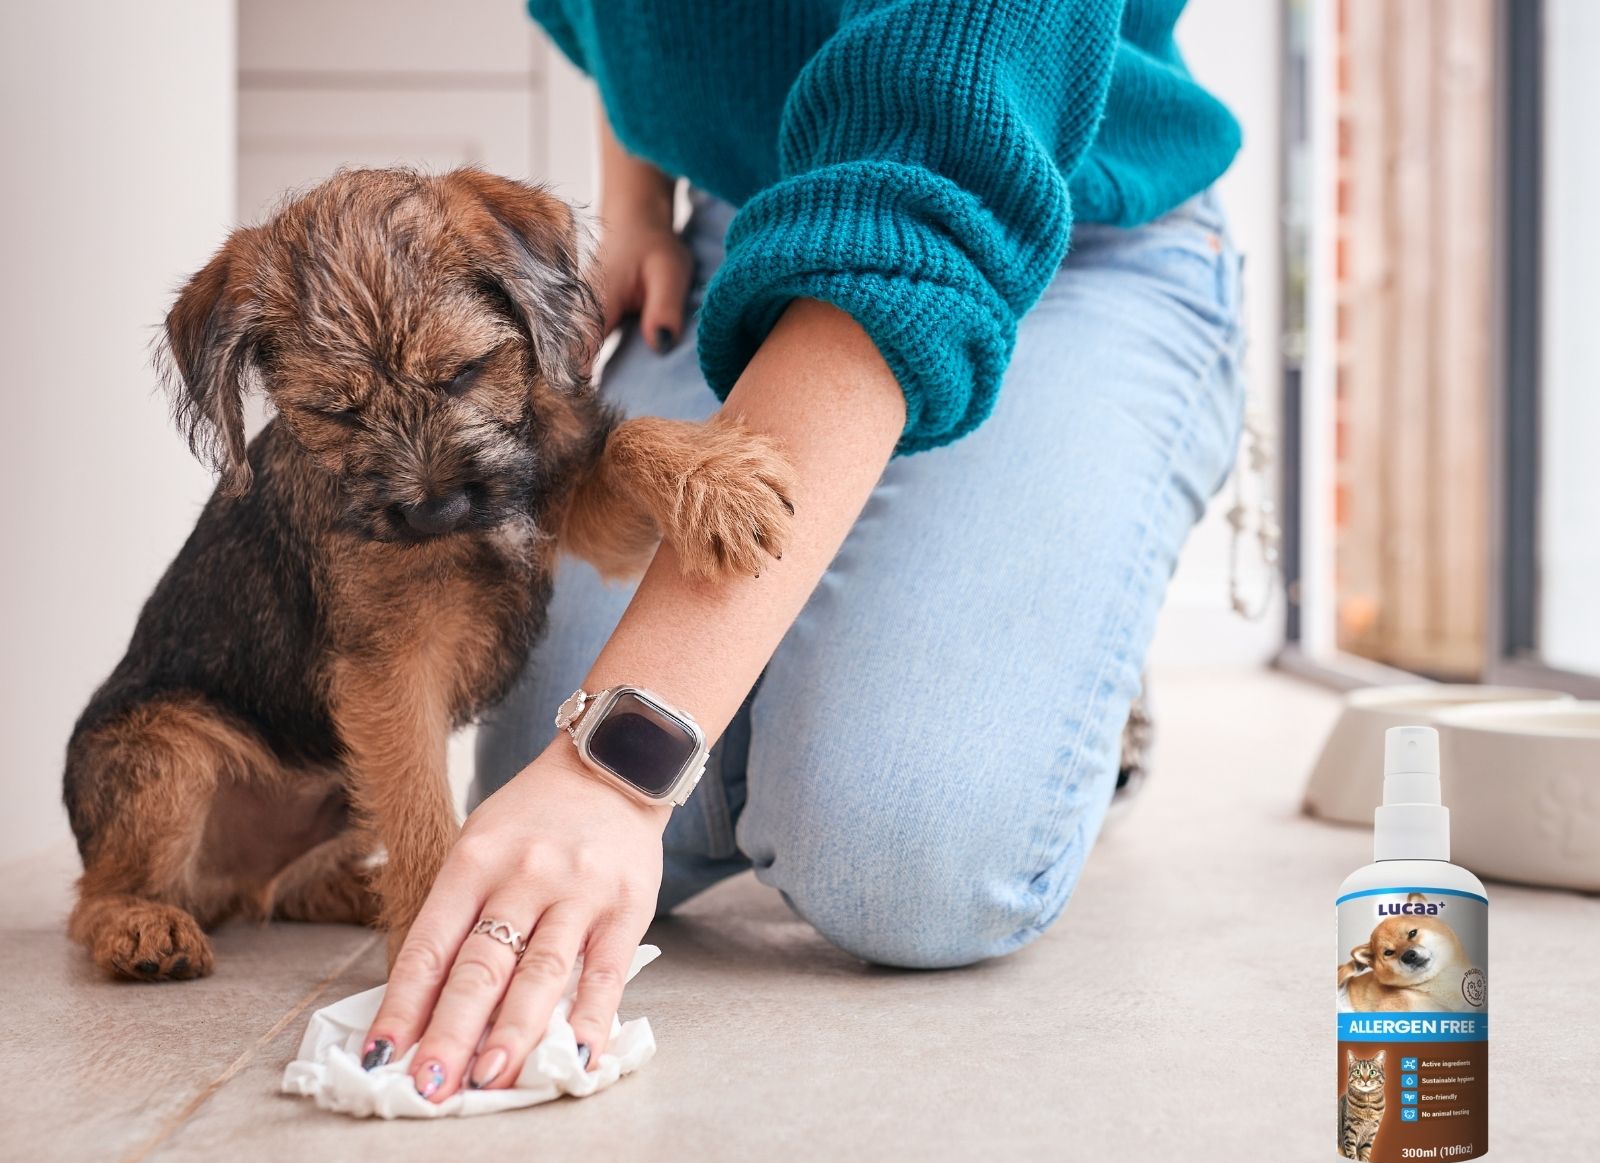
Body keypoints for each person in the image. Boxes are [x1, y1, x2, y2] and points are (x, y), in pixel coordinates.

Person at [361, 0, 1245, 1101]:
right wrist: (636, 207)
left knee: (896, 862)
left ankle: (1072, 648)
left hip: (1057, 224)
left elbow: (929, 164)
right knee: (545, 796)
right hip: (751, 219)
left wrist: (617, 771)